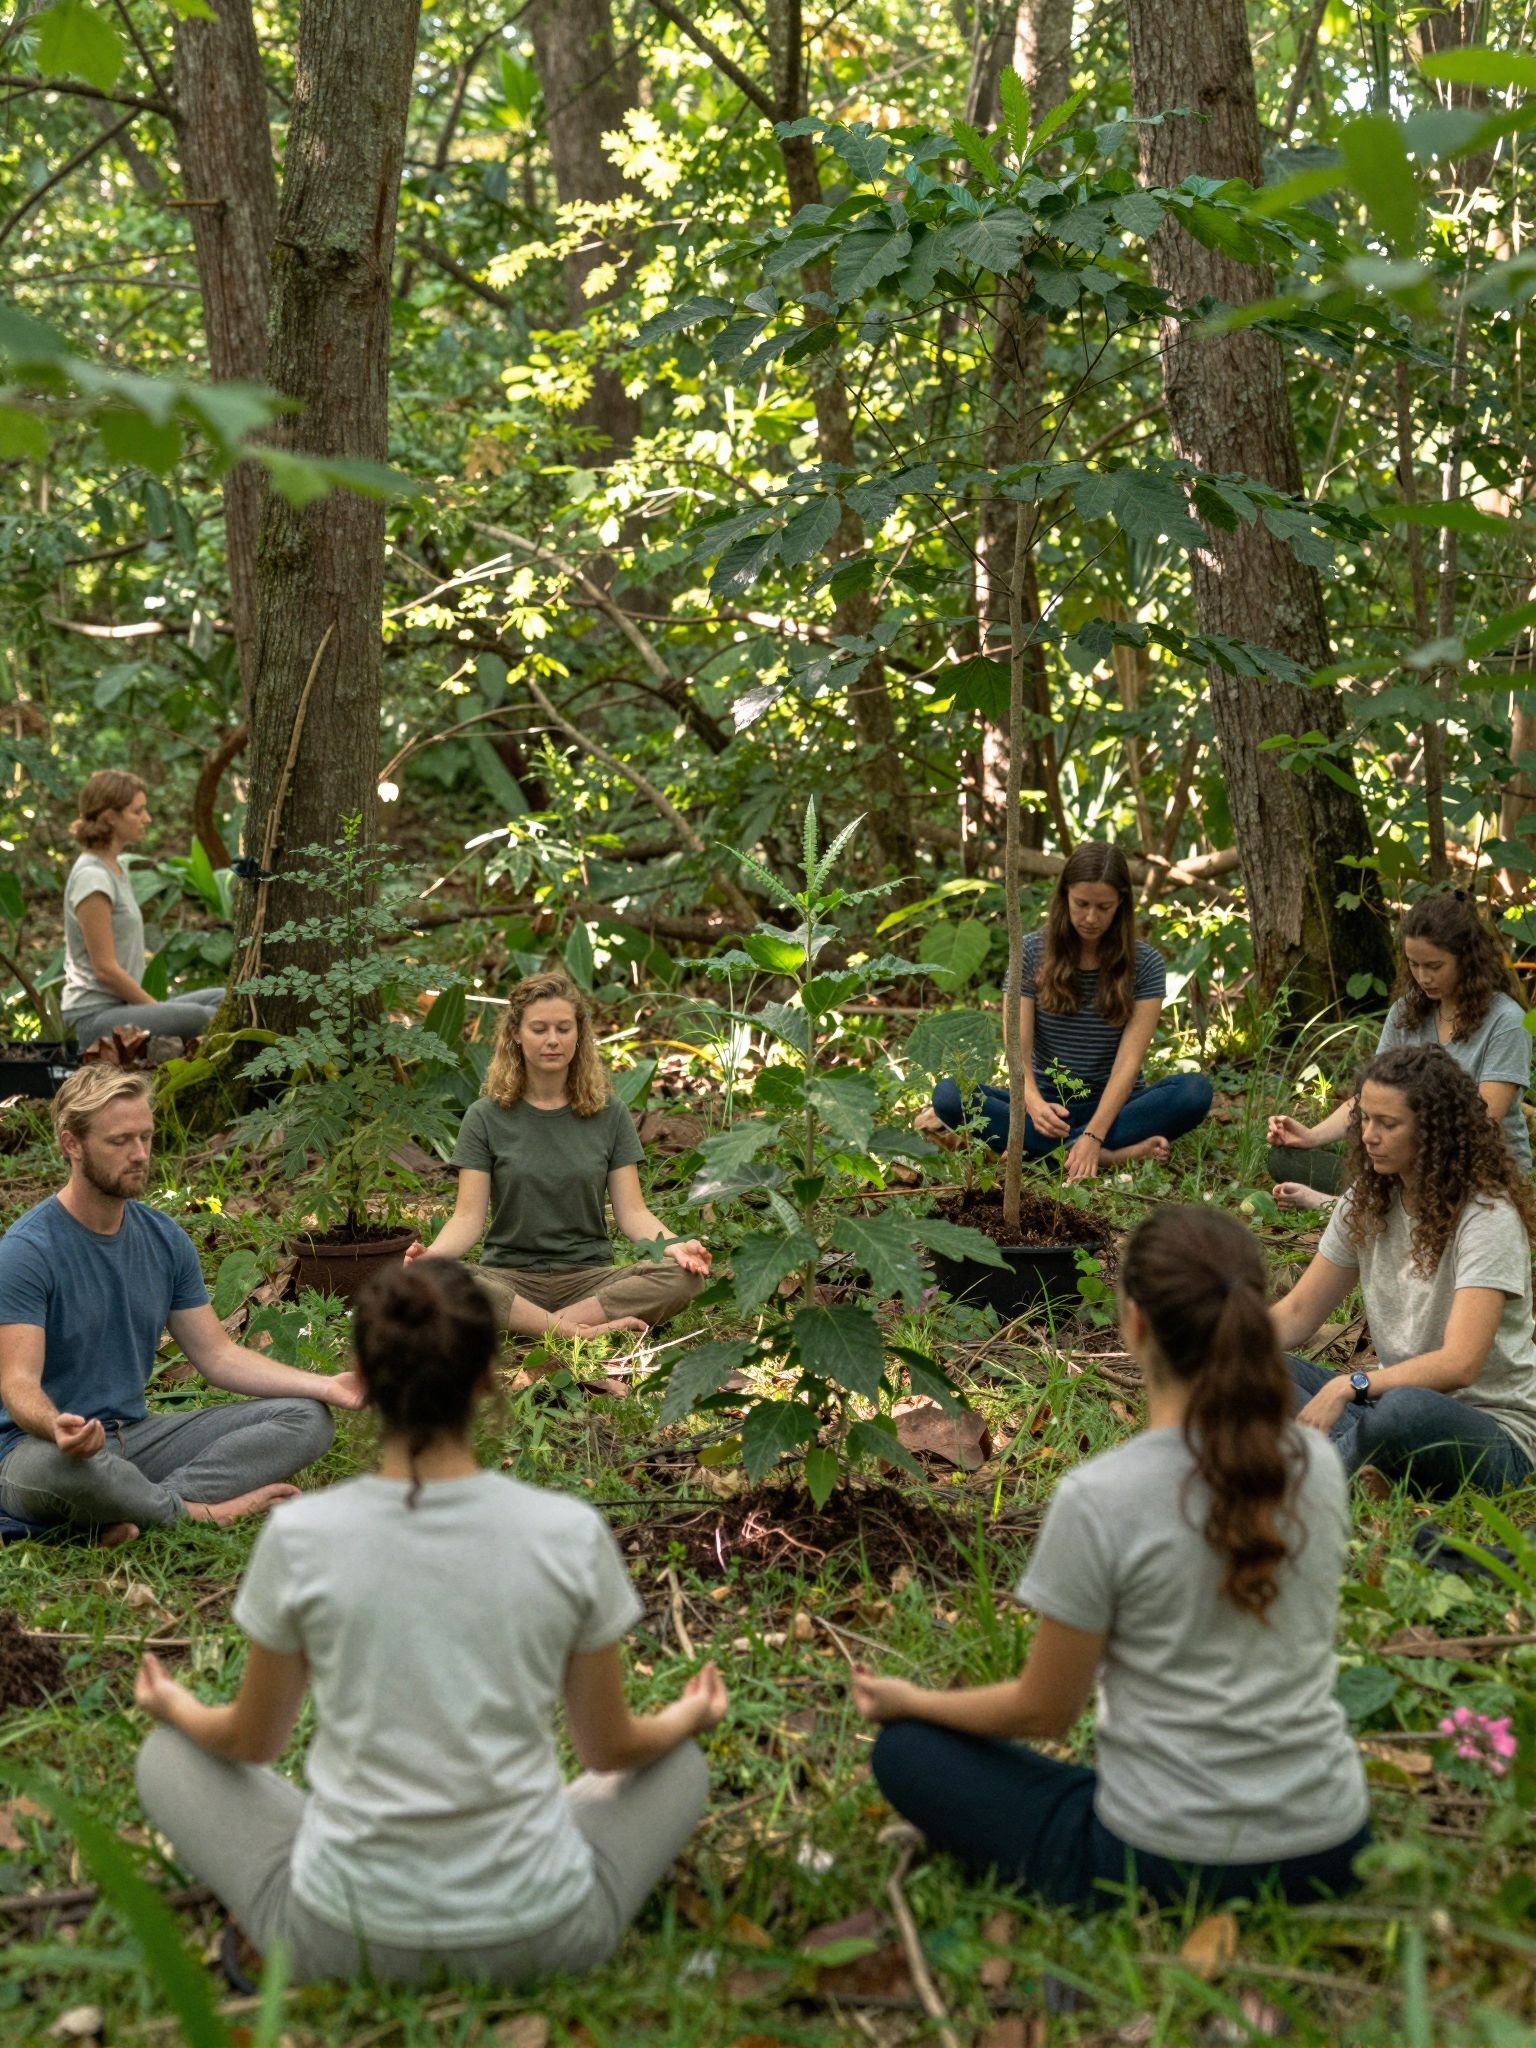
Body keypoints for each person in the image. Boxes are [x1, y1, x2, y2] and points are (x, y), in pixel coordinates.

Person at [134, 1258, 727, 1986]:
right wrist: (687, 1717)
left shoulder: (301, 1534)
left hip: (341, 1938)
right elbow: (611, 1751)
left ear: (361, 1374)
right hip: (545, 1933)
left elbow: (250, 1742)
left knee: (166, 1755)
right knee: (680, 1764)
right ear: (486, 1375)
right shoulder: (566, 1531)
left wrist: (175, 1705)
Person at [850, 1205, 1369, 1910]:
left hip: (1161, 1858)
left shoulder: (1100, 1497)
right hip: (1331, 1843)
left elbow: (1044, 1711)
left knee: (906, 1751)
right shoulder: (1315, 1462)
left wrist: (914, 1701)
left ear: (1134, 1325)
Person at [0, 1067, 357, 1545]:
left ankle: (134, 1510)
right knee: (67, 1473)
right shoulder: (28, 1249)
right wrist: (55, 1425)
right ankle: (197, 1513)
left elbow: (217, 1356)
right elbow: (17, 1382)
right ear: (72, 1143)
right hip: (40, 1449)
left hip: (134, 1439)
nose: (141, 1154)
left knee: (307, 1418)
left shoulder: (165, 1239)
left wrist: (328, 1385)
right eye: (120, 1141)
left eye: (146, 1137)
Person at [1271, 1043, 1536, 1497]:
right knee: (1251, 1364)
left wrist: (1349, 1385)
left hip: (1491, 1435)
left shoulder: (1487, 1217)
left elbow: (1460, 1364)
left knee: (1404, 1413)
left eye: (1387, 1124)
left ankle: (1311, 1478)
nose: (1368, 1136)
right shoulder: (1366, 1201)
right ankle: (1357, 1464)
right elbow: (1297, 1313)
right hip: (1380, 1406)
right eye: (1365, 1119)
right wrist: (1215, 1346)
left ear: (1435, 1133)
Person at [409, 970, 710, 1333]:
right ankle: (574, 1331)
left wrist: (675, 1247)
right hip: (508, 1280)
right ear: (516, 1035)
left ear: (579, 1035)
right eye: (539, 1029)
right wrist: (431, 1261)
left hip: (589, 1282)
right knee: (443, 1281)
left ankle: (539, 1327)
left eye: (563, 1028)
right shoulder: (484, 1117)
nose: (552, 1040)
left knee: (684, 1279)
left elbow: (632, 1213)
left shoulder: (609, 1114)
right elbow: (466, 1219)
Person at [925, 843, 1212, 1180]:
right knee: (948, 1094)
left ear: (1121, 903)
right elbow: (1018, 1047)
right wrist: (1033, 1103)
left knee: (1195, 1091)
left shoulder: (1146, 963)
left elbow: (1128, 1064)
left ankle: (1047, 1152)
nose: (1091, 918)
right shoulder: (1031, 951)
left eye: (1103, 907)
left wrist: (1094, 1135)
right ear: (1065, 896)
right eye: (1082, 904)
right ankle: (1112, 1157)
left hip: (1117, 1108)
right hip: (1047, 1109)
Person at [1267, 891, 1530, 1209]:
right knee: (1284, 1160)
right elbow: (1369, 1096)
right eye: (1414, 964)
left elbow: (1483, 1123)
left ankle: (1343, 1206)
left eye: (1434, 965)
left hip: (1476, 1172)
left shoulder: (1506, 1019)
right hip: (1402, 1165)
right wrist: (1310, 1136)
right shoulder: (1407, 1011)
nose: (1423, 977)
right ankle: (1364, 1200)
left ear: (1468, 959)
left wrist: (1401, 1144)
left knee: (1423, 1185)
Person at [60, 770, 224, 1048]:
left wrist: (158, 1010)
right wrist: (158, 1010)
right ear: (110, 816)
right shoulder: (92, 877)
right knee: (201, 1017)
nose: (147, 818)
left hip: (122, 1009)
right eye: (138, 811)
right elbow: (105, 970)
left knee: (224, 999)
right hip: (92, 1018)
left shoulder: (116, 866)